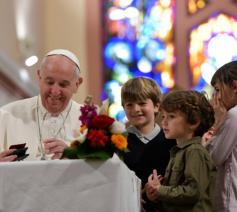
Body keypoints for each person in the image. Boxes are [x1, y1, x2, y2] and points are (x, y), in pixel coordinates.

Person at [0, 49, 83, 161]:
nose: (55, 91)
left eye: (63, 85)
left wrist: (73, 155)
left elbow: (109, 168)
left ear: (77, 84)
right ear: (39, 77)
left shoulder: (92, 121)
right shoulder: (6, 115)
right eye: (49, 82)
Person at [145, 90, 216, 212]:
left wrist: (160, 189)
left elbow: (193, 191)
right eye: (163, 116)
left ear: (194, 121)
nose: (164, 122)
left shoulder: (195, 151)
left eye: (171, 116)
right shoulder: (179, 151)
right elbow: (175, 193)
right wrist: (155, 194)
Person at [121, 77, 176, 211]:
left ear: (157, 106)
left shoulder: (171, 139)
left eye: (142, 103)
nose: (136, 109)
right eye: (129, 105)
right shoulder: (119, 141)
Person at [206, 60, 237, 212]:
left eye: (218, 90)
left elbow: (214, 158)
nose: (216, 97)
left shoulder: (234, 114)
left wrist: (217, 122)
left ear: (235, 86)